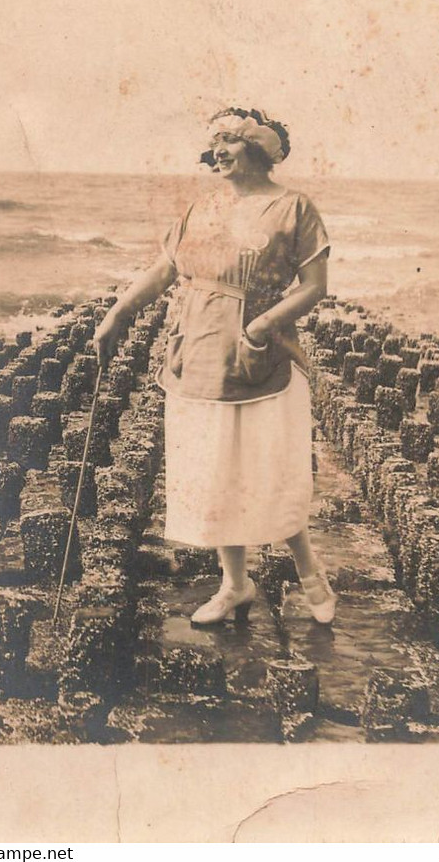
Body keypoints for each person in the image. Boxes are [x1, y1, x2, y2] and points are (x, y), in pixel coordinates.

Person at [94, 107, 336, 626]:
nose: (216, 152)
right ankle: (234, 585)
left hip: (260, 356)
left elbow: (315, 287)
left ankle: (310, 572)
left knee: (272, 469)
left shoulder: (294, 207)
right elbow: (164, 271)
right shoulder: (200, 208)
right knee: (214, 474)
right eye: (214, 143)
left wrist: (261, 325)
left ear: (259, 149)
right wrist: (117, 313)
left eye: (227, 141)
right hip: (198, 351)